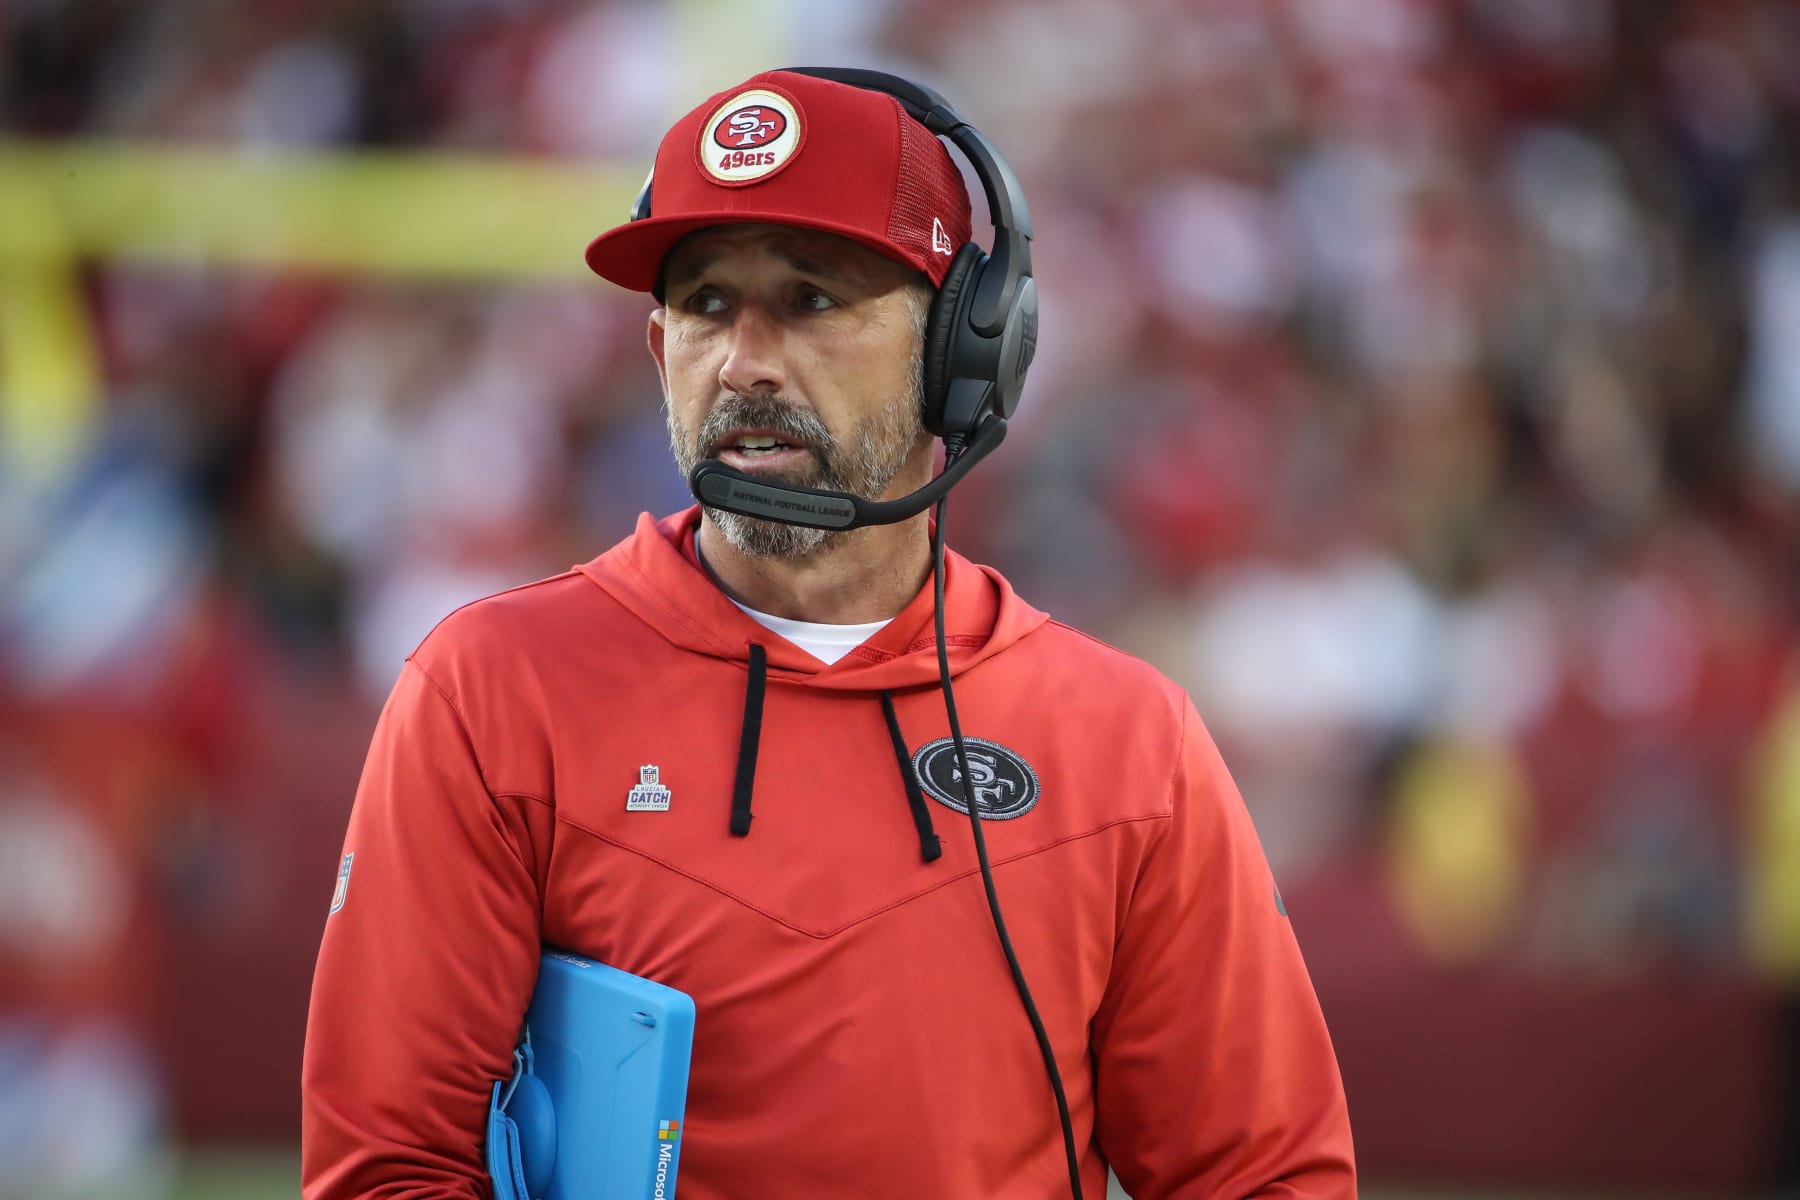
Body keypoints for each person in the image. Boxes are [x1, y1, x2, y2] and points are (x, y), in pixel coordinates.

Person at [300, 68, 1355, 1199]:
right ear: (659, 353)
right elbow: (387, 1171)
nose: (745, 361)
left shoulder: (1128, 742)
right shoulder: (491, 692)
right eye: (706, 303)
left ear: (963, 354)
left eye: (811, 299)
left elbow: (1265, 1177)